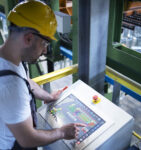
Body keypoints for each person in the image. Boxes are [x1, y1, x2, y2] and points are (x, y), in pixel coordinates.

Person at [0, 1, 85, 149]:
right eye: (44, 44)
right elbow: (28, 139)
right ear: (29, 38)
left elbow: (28, 82)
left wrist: (49, 97)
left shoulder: (9, 57)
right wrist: (62, 132)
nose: (45, 51)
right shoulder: (11, 86)